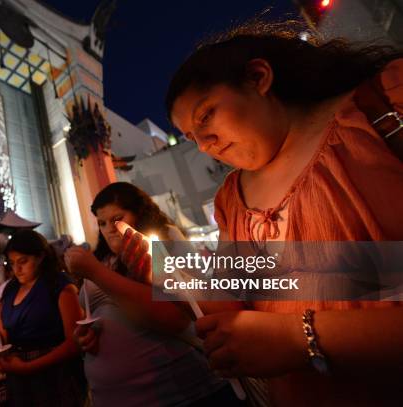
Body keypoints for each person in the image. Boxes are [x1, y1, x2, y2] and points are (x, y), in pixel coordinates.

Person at [147, 21, 403, 406]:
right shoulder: (231, 199)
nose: (204, 146)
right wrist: (176, 278)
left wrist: (297, 338)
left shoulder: (385, 107)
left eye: (207, 116)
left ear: (257, 77)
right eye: (191, 138)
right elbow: (239, 303)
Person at [64, 182, 242, 407]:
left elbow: (181, 315)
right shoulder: (103, 259)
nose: (109, 228)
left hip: (176, 388)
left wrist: (96, 273)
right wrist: (86, 336)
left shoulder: (161, 241)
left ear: (138, 213)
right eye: (102, 222)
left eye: (117, 219)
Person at [0, 229, 87, 407]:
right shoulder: (10, 290)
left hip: (55, 375)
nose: (17, 269)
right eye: (12, 263)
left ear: (40, 257)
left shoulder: (59, 286)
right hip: (18, 377)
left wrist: (27, 367)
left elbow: (75, 342)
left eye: (23, 261)